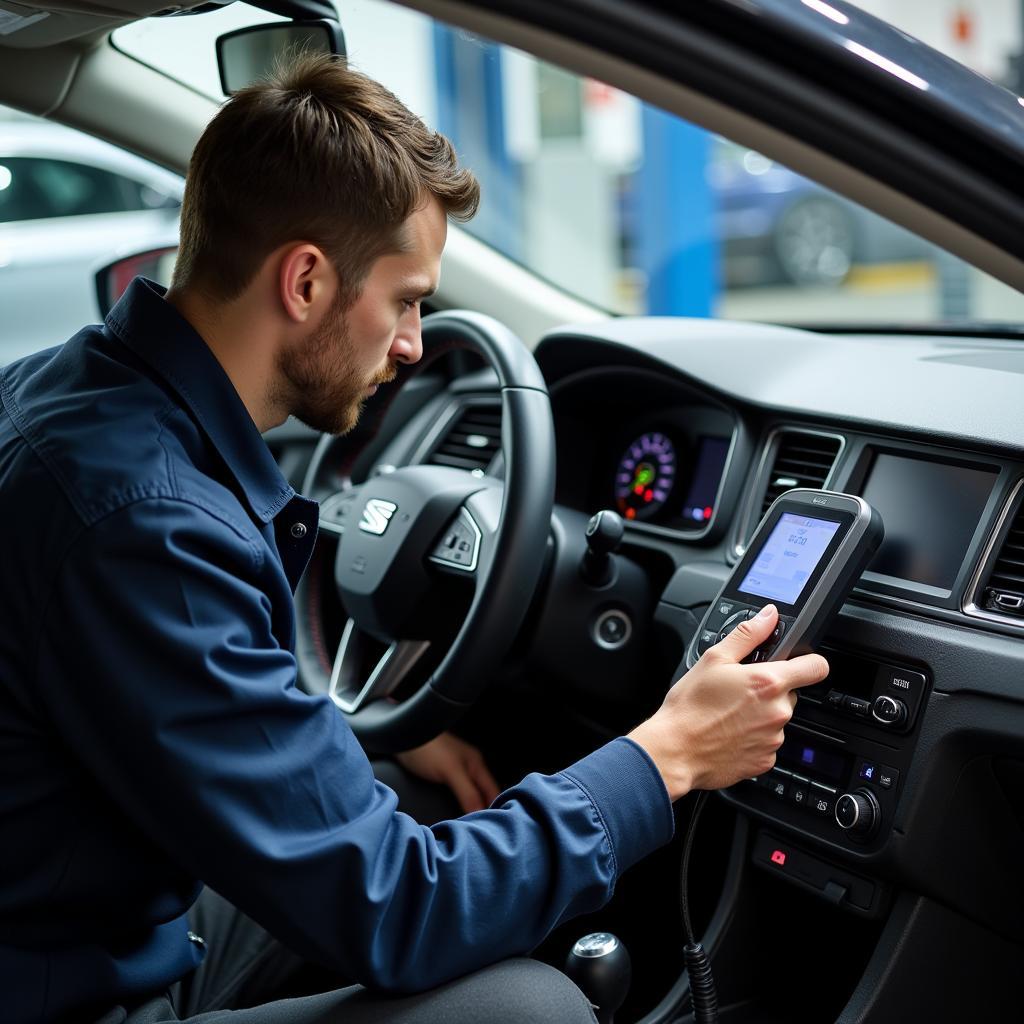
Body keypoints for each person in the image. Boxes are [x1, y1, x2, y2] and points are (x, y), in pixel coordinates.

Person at [0, 53, 828, 1024]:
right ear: (305, 281)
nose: (415, 345)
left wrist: (359, 724)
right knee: (532, 1008)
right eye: (405, 299)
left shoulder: (68, 393)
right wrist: (667, 756)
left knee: (425, 791)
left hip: (85, 915)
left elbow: (167, 692)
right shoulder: (149, 521)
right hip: (75, 996)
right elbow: (402, 910)